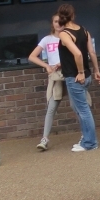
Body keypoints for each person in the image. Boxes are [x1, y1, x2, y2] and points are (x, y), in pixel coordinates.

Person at [56, 4, 100, 152]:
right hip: (86, 75)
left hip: (75, 77)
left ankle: (90, 143)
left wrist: (80, 72)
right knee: (78, 107)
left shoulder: (64, 34)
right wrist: (96, 70)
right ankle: (86, 138)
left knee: (83, 110)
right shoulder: (84, 30)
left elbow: (77, 54)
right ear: (73, 15)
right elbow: (92, 52)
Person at [28, 14, 66, 151]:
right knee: (51, 107)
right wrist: (46, 66)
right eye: (56, 21)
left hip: (69, 74)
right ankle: (44, 139)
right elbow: (32, 56)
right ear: (52, 23)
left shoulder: (68, 37)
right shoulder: (47, 39)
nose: (58, 24)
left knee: (78, 106)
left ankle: (86, 135)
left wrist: (62, 63)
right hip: (55, 76)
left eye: (61, 21)